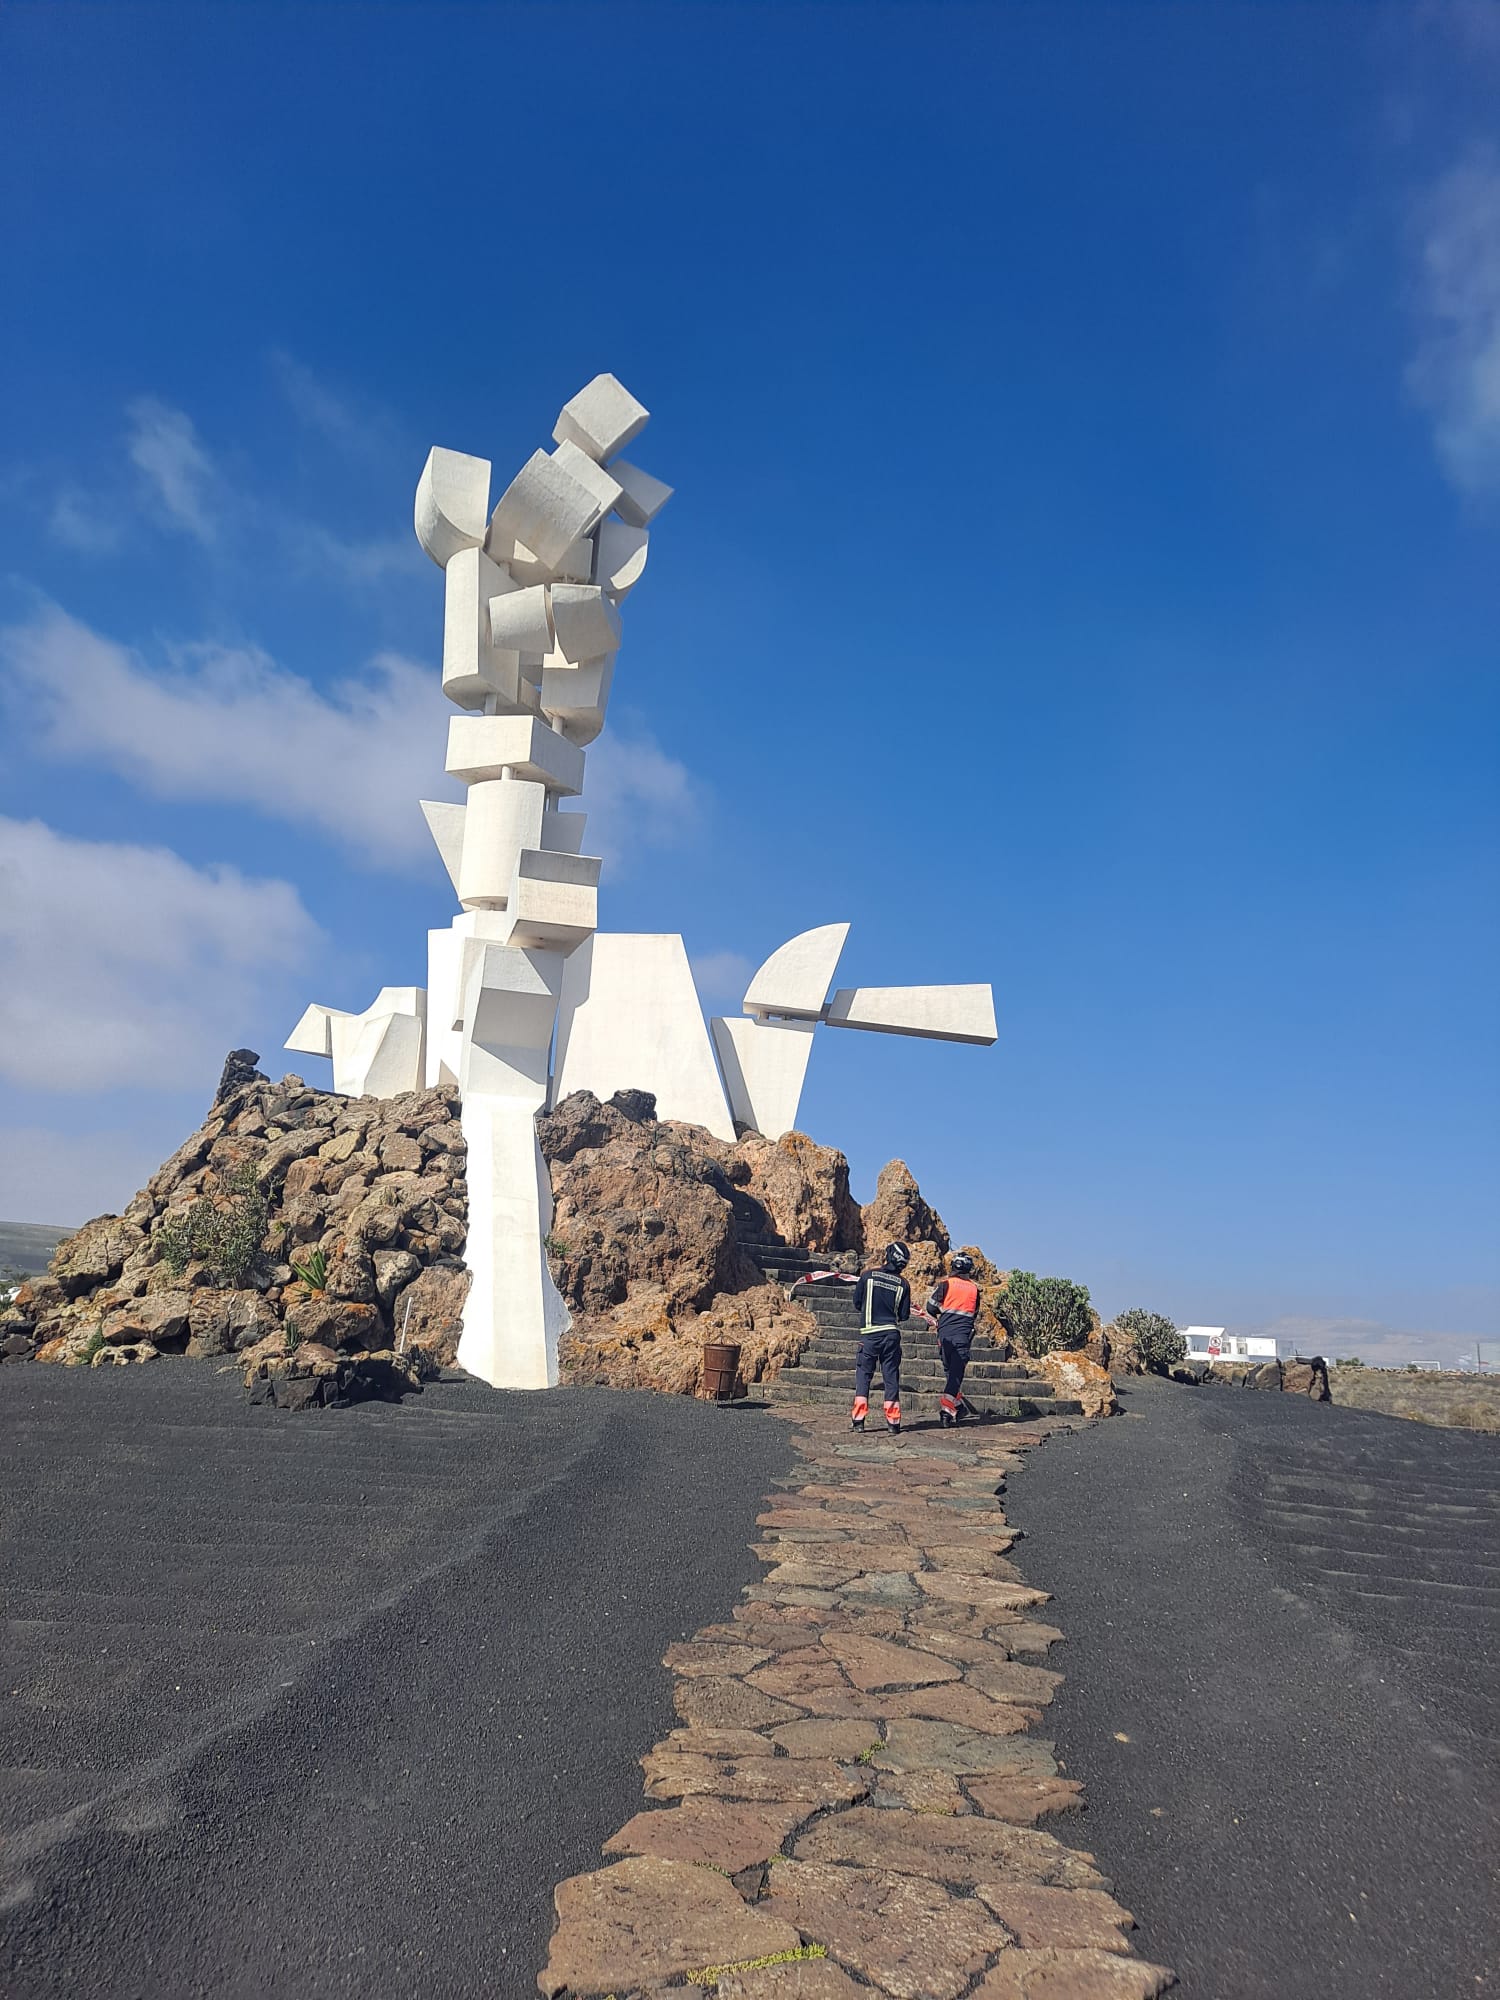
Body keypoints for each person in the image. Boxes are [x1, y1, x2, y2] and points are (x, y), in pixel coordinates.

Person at [851, 1242, 911, 1433]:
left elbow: (857, 1302)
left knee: (863, 1375)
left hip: (869, 1334)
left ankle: (859, 1421)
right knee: (891, 1376)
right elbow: (904, 1315)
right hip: (891, 1335)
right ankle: (893, 1423)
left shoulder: (868, 1276)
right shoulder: (903, 1284)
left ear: (888, 1255)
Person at [927, 1251, 981, 1426]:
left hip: (944, 1336)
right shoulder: (974, 1289)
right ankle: (946, 1411)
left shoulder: (946, 1284)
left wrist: (943, 1312)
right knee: (955, 1376)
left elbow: (930, 1306)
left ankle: (957, 1406)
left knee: (950, 1373)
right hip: (962, 1337)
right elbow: (974, 1313)